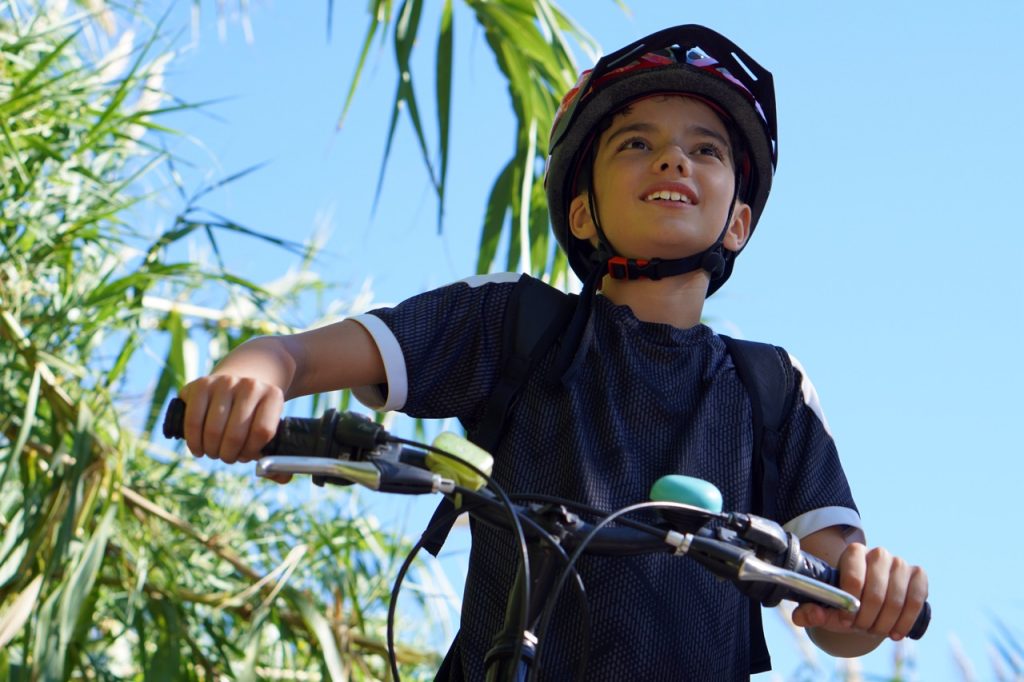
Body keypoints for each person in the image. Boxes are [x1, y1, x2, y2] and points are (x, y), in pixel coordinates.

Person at [178, 24, 928, 680]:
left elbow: (834, 603)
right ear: (582, 211)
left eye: (705, 149)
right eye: (637, 143)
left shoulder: (767, 384)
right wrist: (252, 378)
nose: (674, 161)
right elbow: (297, 359)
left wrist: (874, 593)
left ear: (737, 221)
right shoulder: (517, 324)